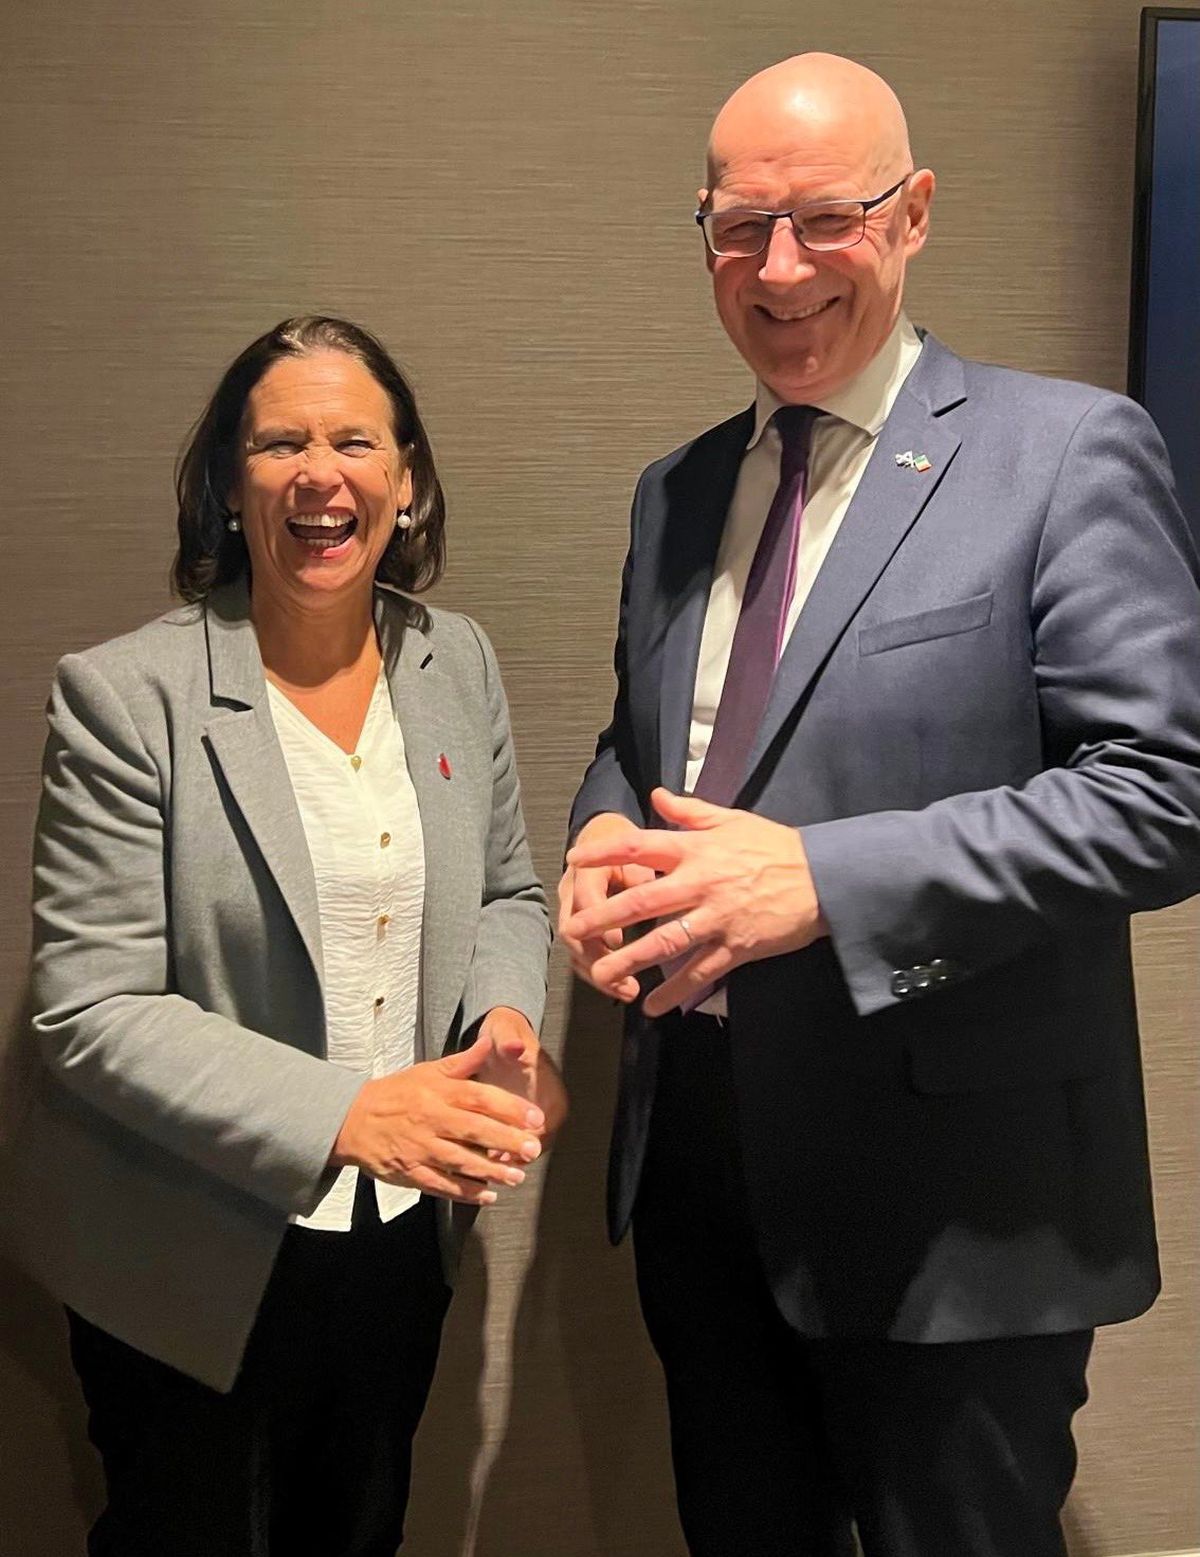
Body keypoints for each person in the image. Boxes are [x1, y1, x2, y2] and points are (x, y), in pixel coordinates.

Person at [558, 53, 1200, 1557]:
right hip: (705, 1173)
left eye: (826, 219)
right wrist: (602, 823)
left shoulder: (1065, 452)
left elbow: (1167, 791)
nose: (778, 271)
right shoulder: (677, 487)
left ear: (912, 216)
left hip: (957, 1204)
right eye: (736, 228)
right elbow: (652, 735)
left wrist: (829, 884)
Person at [4, 315, 565, 1556]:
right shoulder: (124, 697)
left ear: (405, 480)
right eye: (279, 444)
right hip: (185, 1255)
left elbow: (511, 895)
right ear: (227, 483)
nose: (322, 473)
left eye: (355, 439)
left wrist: (505, 1023)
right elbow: (89, 1009)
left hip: (400, 1242)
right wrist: (343, 1117)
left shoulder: (455, 661)